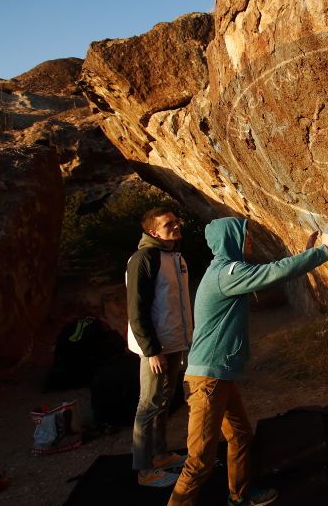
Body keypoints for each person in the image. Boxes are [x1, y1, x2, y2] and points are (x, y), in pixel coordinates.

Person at [169, 217, 328, 506]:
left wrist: (305, 253)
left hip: (218, 376)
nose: (249, 242)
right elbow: (272, 274)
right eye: (244, 237)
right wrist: (321, 251)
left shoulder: (225, 271)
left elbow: (269, 273)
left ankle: (240, 495)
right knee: (199, 460)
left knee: (241, 436)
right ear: (229, 240)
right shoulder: (227, 273)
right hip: (207, 381)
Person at [126, 207, 193, 487]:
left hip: (175, 340)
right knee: (149, 404)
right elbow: (136, 308)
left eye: (176, 221)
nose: (176, 226)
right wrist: (151, 350)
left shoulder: (174, 256)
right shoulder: (144, 259)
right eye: (169, 224)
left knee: (164, 401)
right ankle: (144, 471)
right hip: (156, 346)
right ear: (154, 232)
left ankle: (160, 455)